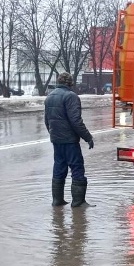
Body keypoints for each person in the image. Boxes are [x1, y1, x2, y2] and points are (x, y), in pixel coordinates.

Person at [45, 72, 94, 208]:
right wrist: (88, 137)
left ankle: (57, 200)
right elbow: (76, 121)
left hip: (56, 140)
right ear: (70, 83)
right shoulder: (71, 97)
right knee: (77, 168)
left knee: (59, 167)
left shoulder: (50, 97)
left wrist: (53, 134)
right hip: (70, 141)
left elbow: (47, 120)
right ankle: (78, 202)